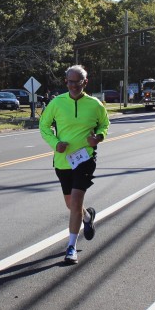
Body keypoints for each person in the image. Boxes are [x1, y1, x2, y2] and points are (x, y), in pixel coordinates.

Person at [39, 65, 110, 264]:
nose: (73, 86)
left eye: (77, 82)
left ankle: (71, 247)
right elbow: (43, 126)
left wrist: (99, 137)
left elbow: (104, 124)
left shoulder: (95, 104)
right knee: (71, 204)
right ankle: (87, 217)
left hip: (85, 158)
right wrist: (55, 143)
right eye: (70, 82)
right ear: (66, 82)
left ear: (85, 82)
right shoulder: (57, 103)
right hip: (63, 160)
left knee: (76, 200)